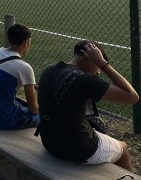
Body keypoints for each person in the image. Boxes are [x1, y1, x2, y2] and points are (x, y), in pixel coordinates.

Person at [37, 40, 138, 171]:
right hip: (78, 149)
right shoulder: (85, 80)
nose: (98, 72)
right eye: (96, 63)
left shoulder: (49, 69)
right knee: (122, 148)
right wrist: (103, 64)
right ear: (88, 57)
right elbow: (132, 96)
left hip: (49, 142)